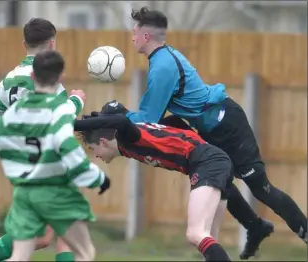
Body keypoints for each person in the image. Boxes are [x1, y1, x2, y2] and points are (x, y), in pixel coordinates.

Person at [96, 6, 308, 259]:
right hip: (211, 127)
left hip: (228, 124)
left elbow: (148, 120)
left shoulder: (163, 67)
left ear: (145, 36)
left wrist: (117, 115)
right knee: (220, 178)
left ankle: (298, 232)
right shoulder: (161, 60)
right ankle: (256, 226)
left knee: (261, 189)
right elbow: (155, 120)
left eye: (134, 32)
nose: (131, 37)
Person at [0, 18, 80, 262]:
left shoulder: (11, 79)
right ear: (52, 45)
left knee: (42, 236)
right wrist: (76, 99)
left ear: (24, 44)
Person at [0, 50, 110, 261]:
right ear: (60, 77)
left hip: (25, 191)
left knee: (19, 256)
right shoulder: (59, 109)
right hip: (54, 191)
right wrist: (97, 178)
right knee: (84, 251)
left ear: (32, 77)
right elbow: (67, 146)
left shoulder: (18, 111)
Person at [75, 109, 233, 262]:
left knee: (195, 234)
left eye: (92, 148)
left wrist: (74, 125)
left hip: (208, 161)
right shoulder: (125, 146)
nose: (95, 154)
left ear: (103, 142)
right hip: (215, 160)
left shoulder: (128, 137)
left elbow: (121, 120)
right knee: (208, 238)